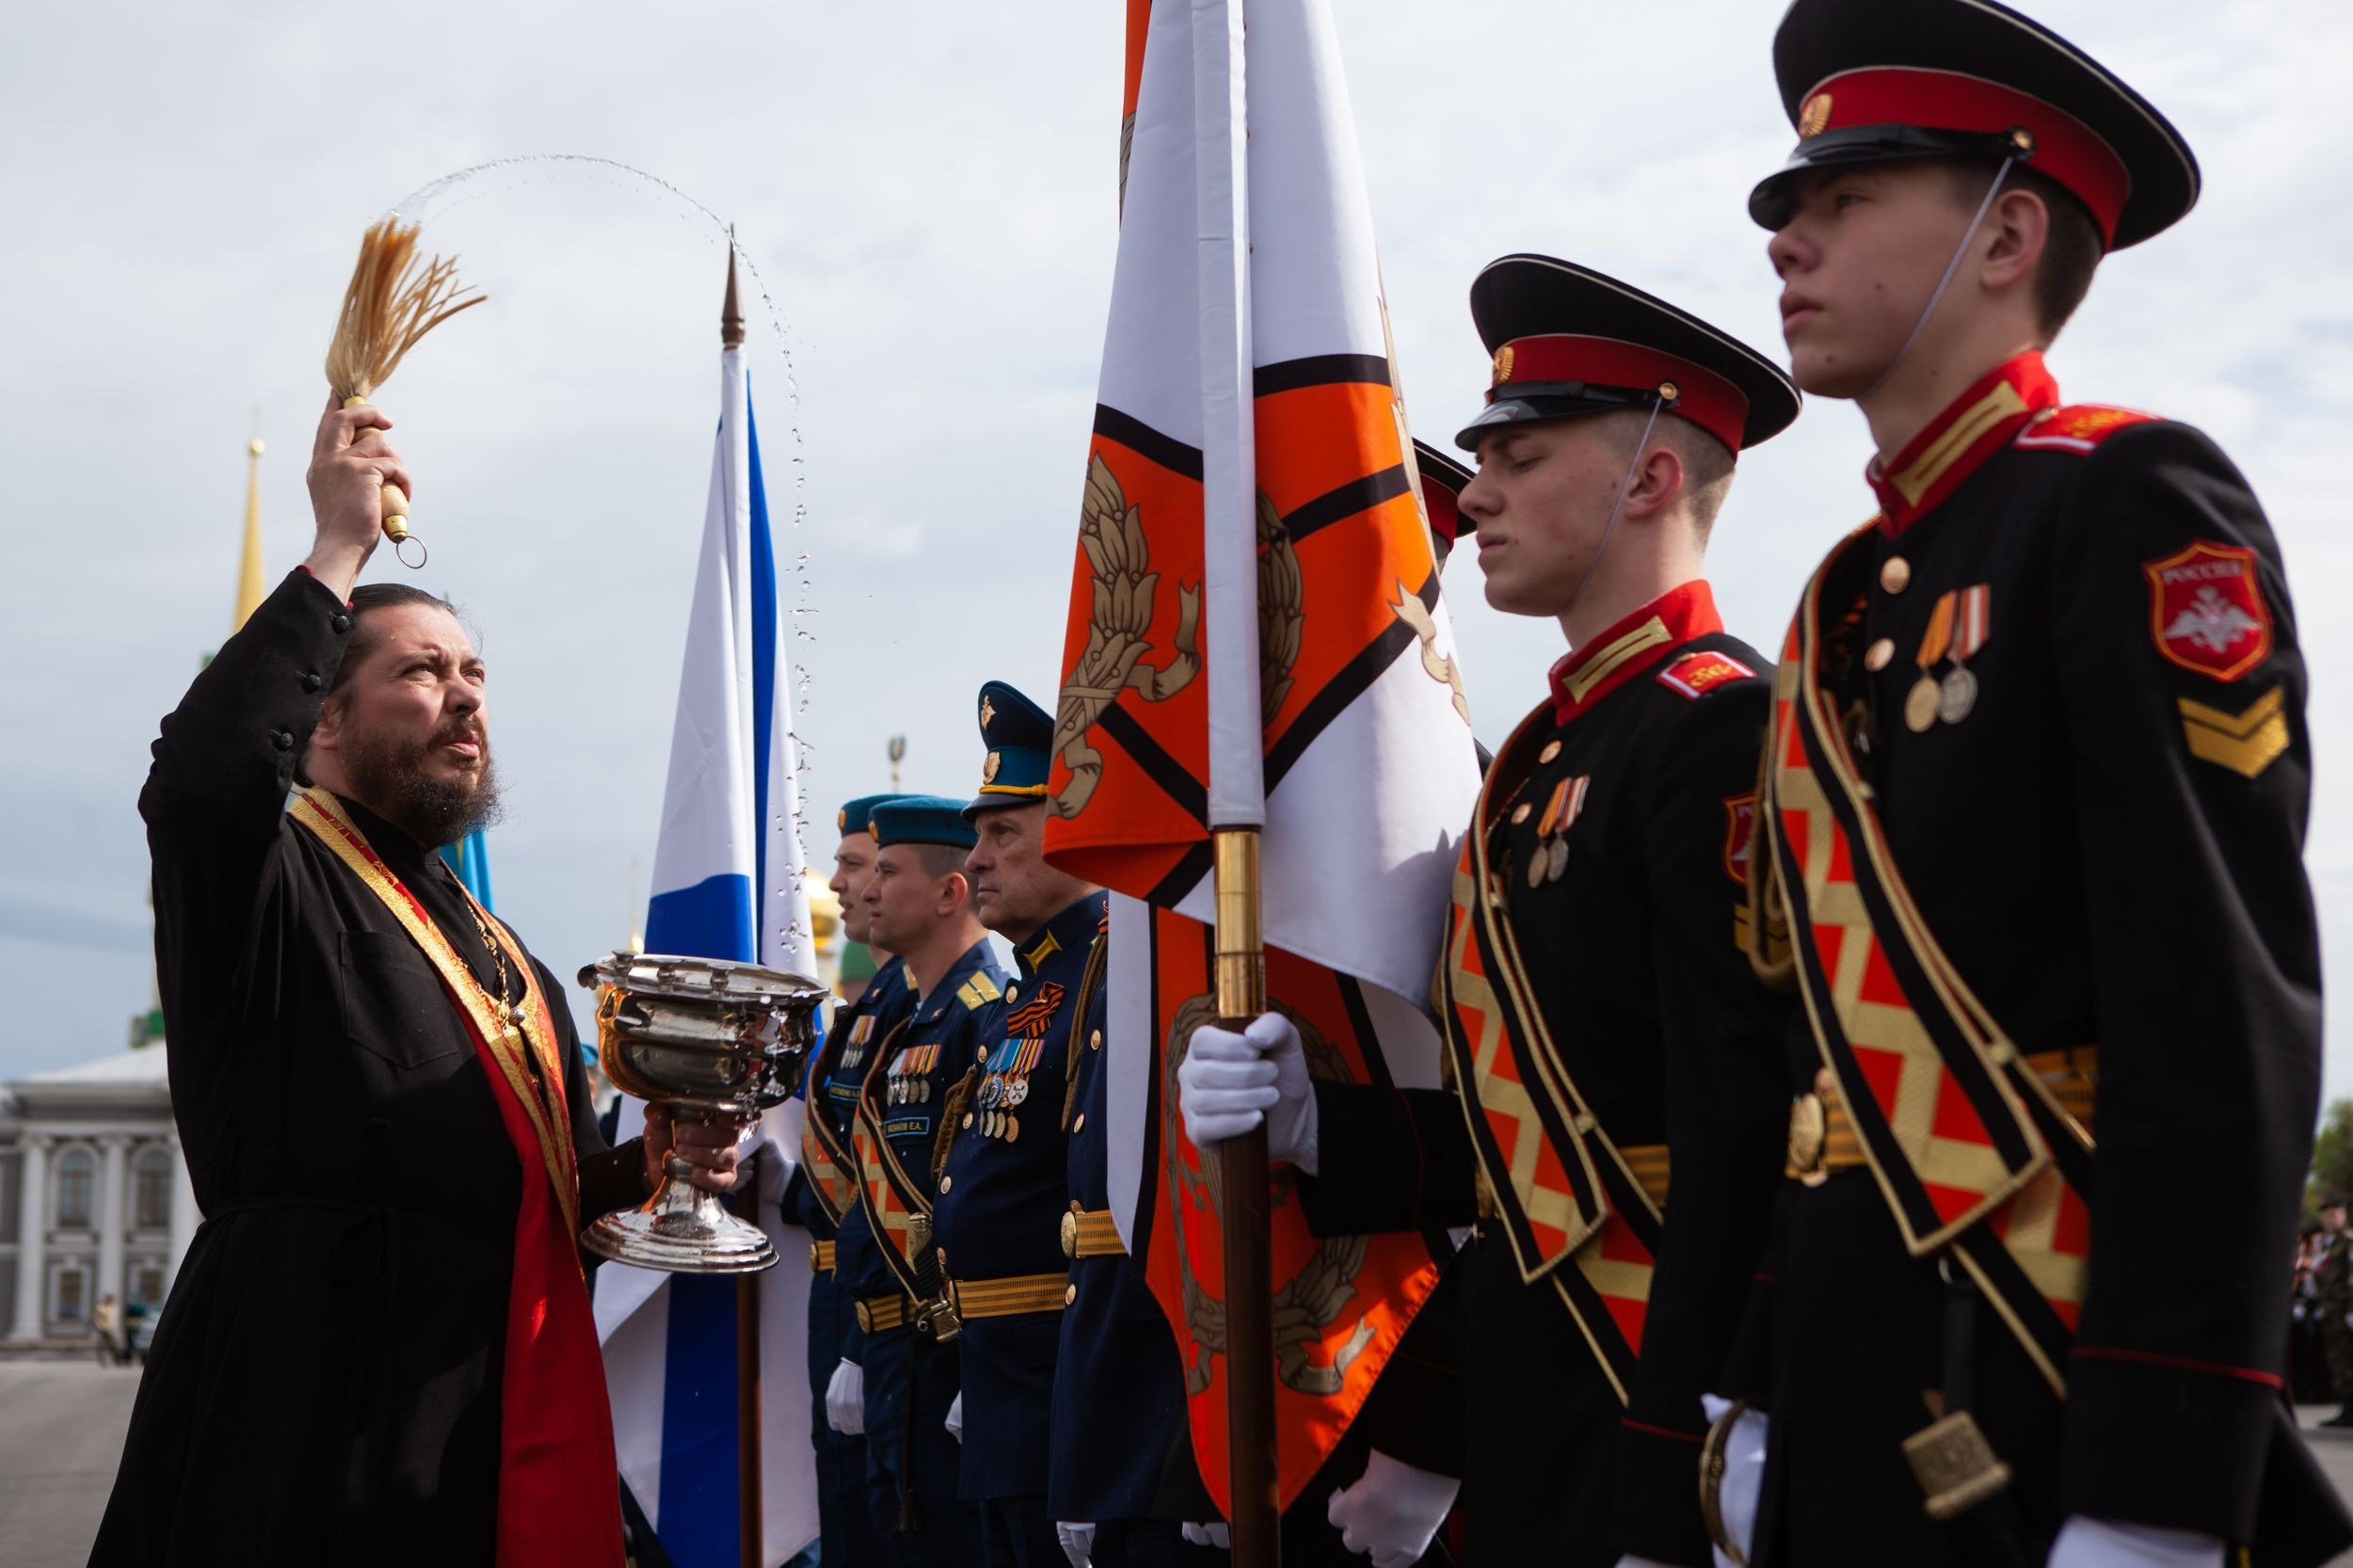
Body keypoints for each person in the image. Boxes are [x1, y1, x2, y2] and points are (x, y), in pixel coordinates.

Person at [1736, 2, 2353, 1562]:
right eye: (1788, 212)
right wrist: (1754, 1395)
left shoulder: (2128, 500)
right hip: (1854, 1386)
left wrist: (2158, 1481)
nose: (1785, 247)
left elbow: (2218, 1005)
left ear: (2004, 235)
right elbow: (1808, 1065)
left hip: (2041, 1380)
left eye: (1843, 202)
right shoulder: (1842, 604)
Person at [1179, 256, 1801, 1568]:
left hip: (1663, 1389)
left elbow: (1757, 1127)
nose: (1476, 495)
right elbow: (1512, 1152)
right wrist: (1317, 1123)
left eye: (1518, 454)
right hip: (1545, 1404)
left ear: (1647, 478)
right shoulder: (1542, 764)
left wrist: (1726, 1421)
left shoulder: (1720, 730)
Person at [90, 396, 741, 1567]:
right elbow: (198, 782)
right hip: (307, 1401)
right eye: (425, 670)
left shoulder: (512, 956)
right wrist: (338, 546)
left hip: (495, 1411)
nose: (468, 694)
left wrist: (646, 1170)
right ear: (321, 721)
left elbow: (536, 1211)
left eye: (476, 671)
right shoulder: (272, 878)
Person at [834, 796, 1005, 1564]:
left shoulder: (981, 1013)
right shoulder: (909, 1022)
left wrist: (981, 1357)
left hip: (946, 1352)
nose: (867, 889)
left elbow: (992, 1203)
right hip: (894, 1350)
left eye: (888, 872)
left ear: (949, 893)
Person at [792, 793, 920, 1567]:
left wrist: (858, 1342)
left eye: (854, 863)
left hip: (887, 1312)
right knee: (848, 1522)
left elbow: (910, 1201)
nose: (841, 884)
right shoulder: (867, 1010)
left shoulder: (931, 1006)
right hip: (841, 1294)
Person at [2315, 1199, 2353, 1426]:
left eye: (2336, 1214)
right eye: (2327, 1215)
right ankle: (2346, 1407)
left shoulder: (2348, 1242)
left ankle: (2350, 1408)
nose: (2332, 1219)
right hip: (2331, 1312)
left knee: (2348, 1360)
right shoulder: (2326, 1244)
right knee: (2337, 1360)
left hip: (2343, 1309)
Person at [93, 1294, 120, 1369]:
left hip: (111, 1329)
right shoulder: (101, 1308)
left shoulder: (114, 1308)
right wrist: (99, 1326)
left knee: (113, 1345)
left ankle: (116, 1360)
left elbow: (115, 1319)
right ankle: (102, 1361)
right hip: (103, 1329)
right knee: (102, 1346)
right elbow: (97, 1319)